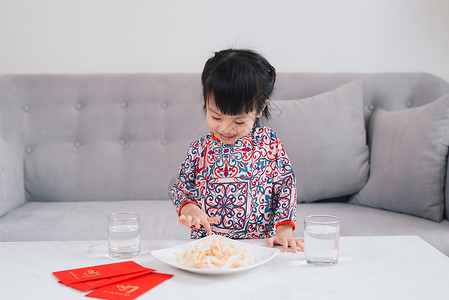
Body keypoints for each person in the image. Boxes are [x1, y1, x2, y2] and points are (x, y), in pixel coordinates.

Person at [171, 49, 303, 252]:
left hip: (258, 246)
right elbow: (181, 186)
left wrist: (284, 230)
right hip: (209, 246)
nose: (225, 128)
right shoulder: (199, 149)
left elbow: (286, 186)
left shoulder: (269, 143)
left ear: (259, 109)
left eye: (239, 120)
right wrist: (189, 207)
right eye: (216, 117)